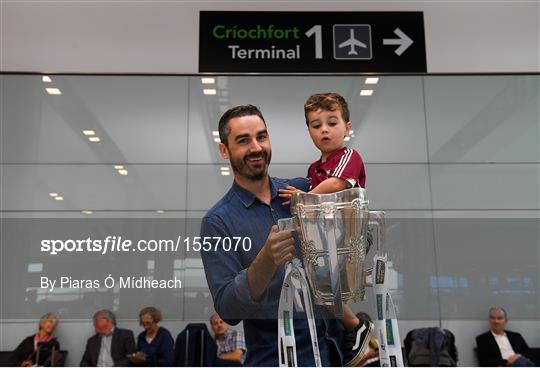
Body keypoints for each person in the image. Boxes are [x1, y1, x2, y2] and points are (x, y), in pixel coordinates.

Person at [200, 104, 343, 366]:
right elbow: (228, 308)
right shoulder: (218, 222)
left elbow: (345, 242)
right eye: (243, 140)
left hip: (334, 352)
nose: (256, 147)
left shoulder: (302, 190)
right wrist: (266, 260)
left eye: (261, 137)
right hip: (273, 359)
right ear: (224, 150)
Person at [277, 92, 373, 366]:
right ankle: (352, 328)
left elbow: (337, 184)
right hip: (327, 236)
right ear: (308, 130)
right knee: (316, 287)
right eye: (316, 125)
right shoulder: (315, 167)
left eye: (332, 122)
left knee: (324, 287)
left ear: (347, 126)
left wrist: (303, 197)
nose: (324, 130)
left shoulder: (348, 156)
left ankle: (357, 326)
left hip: (350, 234)